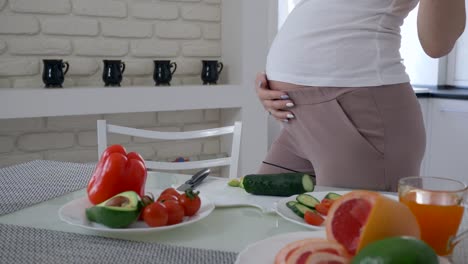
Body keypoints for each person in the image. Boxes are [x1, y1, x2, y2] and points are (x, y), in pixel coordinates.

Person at [255, 0, 466, 191]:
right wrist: (275, 79)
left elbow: (438, 42)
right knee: (262, 218)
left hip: (361, 118)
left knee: (356, 232)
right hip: (296, 118)